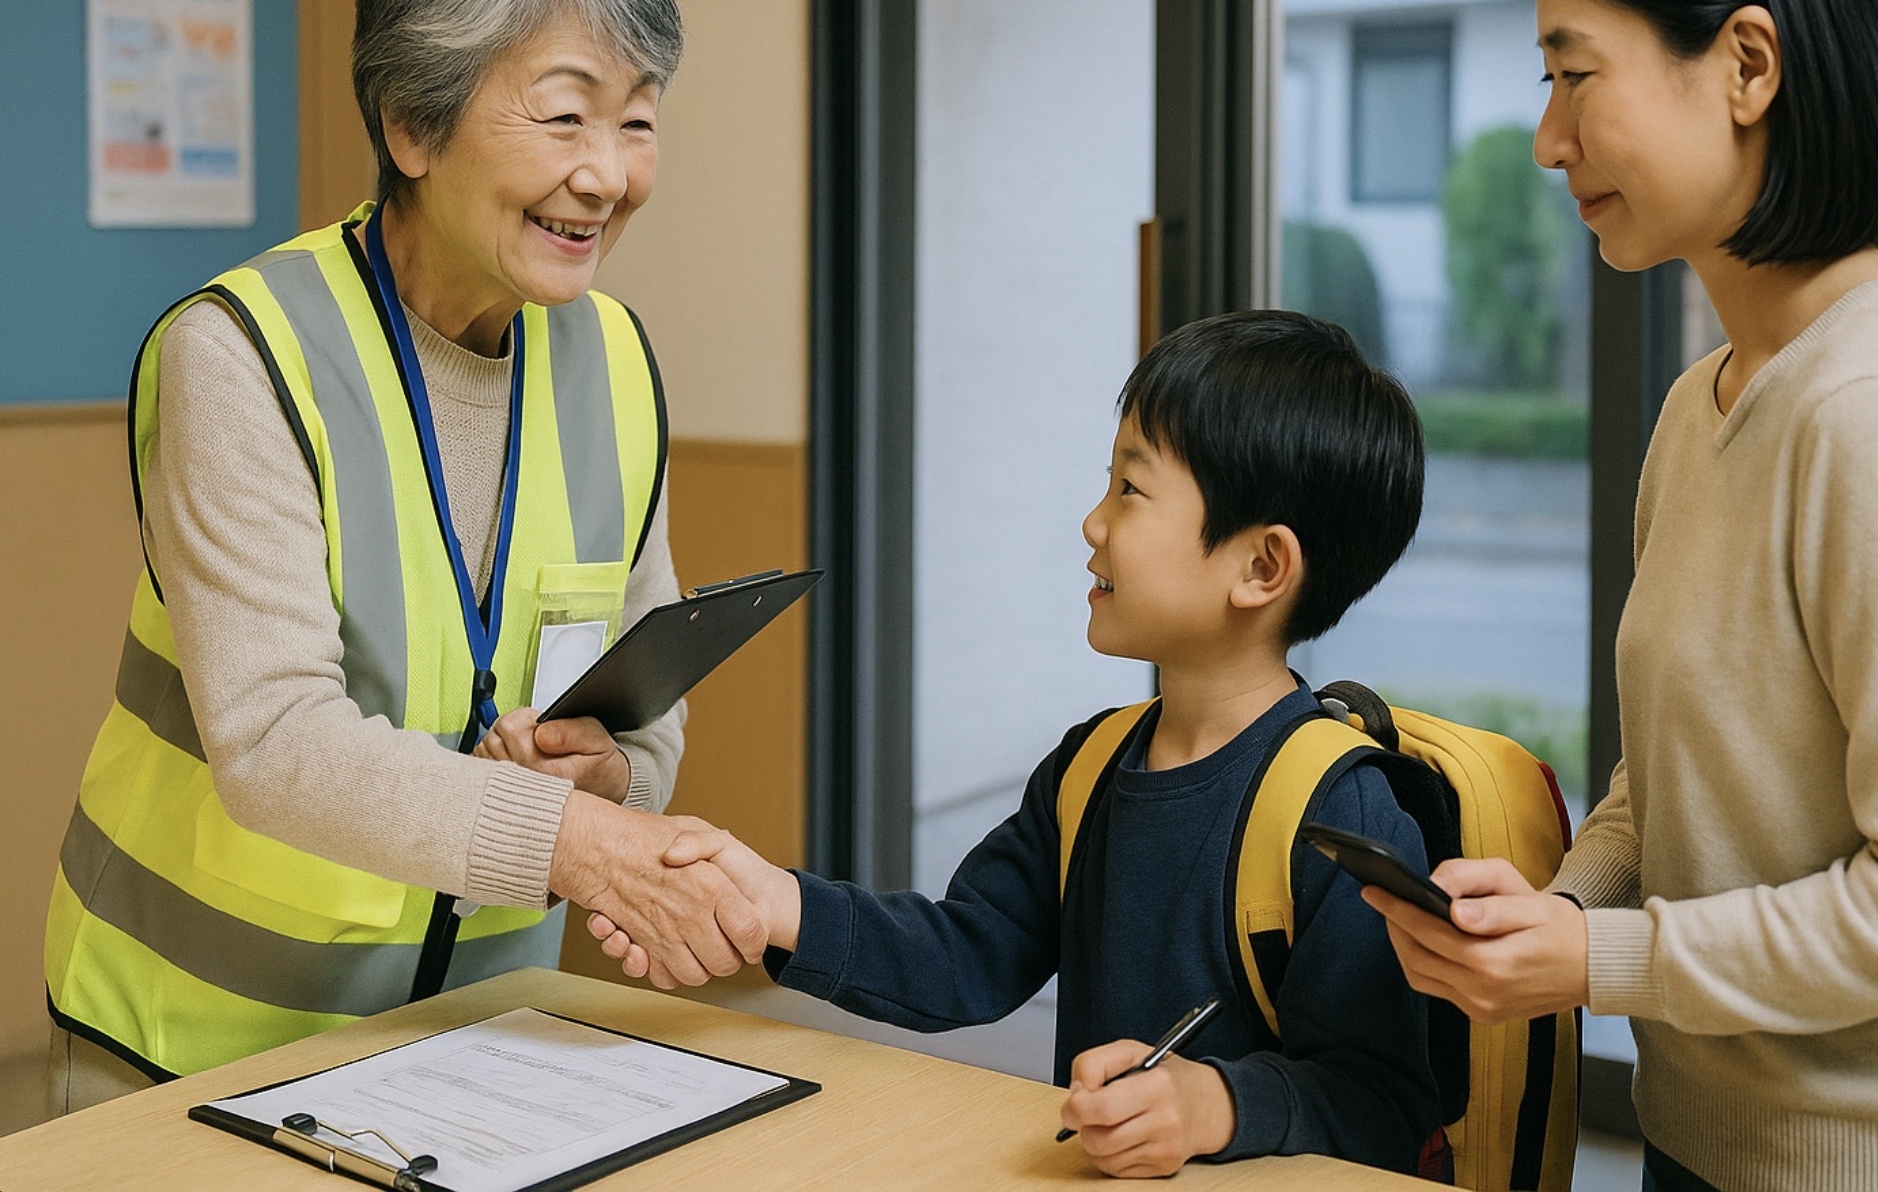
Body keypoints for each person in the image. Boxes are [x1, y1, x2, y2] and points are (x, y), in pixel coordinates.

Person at [1364, 0, 1878, 1190]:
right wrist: (1555, 910)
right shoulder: (1705, 408)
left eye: (1577, 76)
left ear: (1746, 62)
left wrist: (1604, 959)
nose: (1548, 141)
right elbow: (1665, 784)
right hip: (1705, 1144)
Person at [43, 0, 767, 1114]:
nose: (608, 174)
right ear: (411, 128)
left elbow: (647, 695)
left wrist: (611, 783)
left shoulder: (615, 357)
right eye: (563, 117)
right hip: (199, 1039)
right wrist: (587, 852)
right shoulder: (241, 353)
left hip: (479, 1039)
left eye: (637, 120)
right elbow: (274, 746)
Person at [594, 312, 1441, 1177]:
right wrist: (775, 902)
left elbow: (1382, 1104)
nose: (1092, 522)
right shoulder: (1089, 768)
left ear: (1261, 568)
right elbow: (967, 954)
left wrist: (1213, 1105)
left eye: (1131, 490)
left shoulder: (1338, 810)